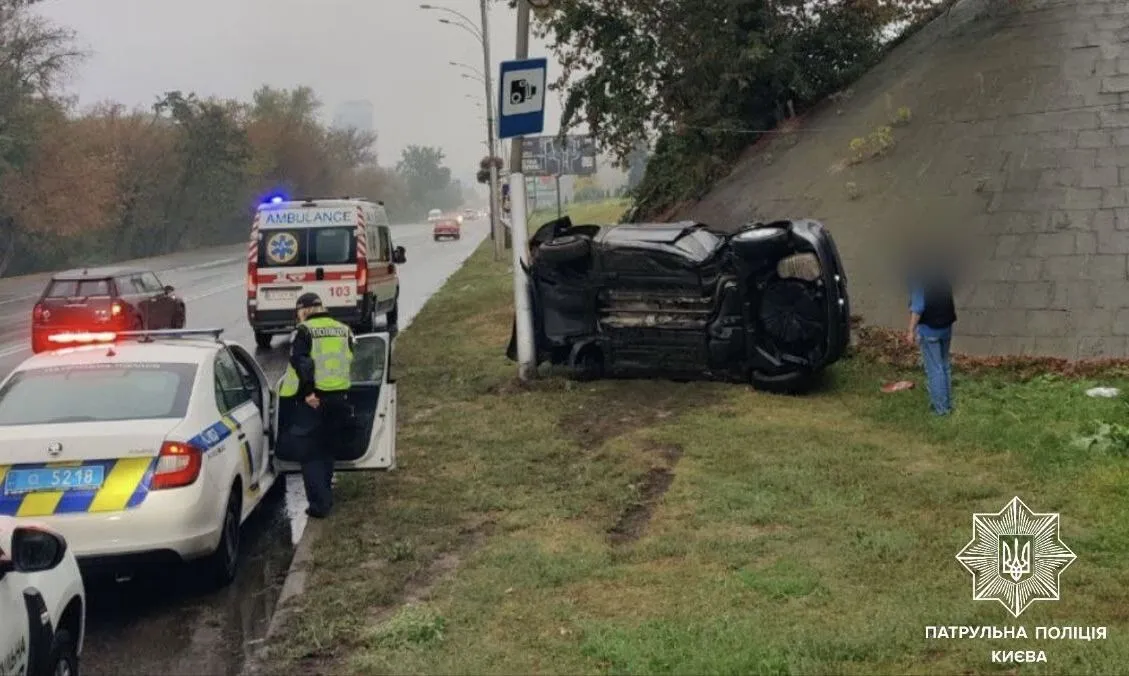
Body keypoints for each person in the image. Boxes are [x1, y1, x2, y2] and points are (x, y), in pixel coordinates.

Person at [278, 292, 355, 518]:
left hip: (312, 400)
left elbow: (302, 363)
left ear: (303, 310)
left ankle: (319, 505)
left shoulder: (304, 331)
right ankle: (326, 495)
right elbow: (348, 359)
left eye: (298, 312)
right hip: (339, 397)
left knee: (310, 454)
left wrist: (308, 392)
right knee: (327, 449)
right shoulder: (343, 329)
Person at [906, 269, 957, 416]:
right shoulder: (942, 276)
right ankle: (947, 402)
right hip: (946, 326)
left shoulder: (918, 280)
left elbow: (918, 308)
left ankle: (941, 409)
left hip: (930, 330)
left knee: (935, 369)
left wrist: (911, 331)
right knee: (945, 365)